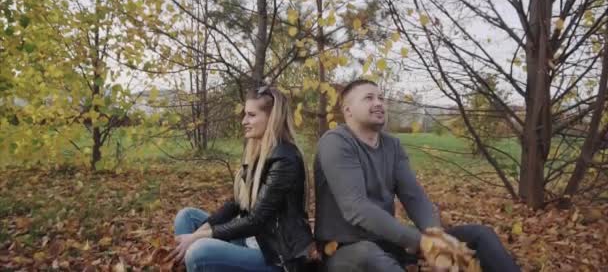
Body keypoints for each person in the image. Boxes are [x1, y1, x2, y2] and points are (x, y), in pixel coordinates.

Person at [314, 79, 520, 272]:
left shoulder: (392, 145)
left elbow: (414, 196)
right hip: (344, 250)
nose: (378, 103)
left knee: (480, 235)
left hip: (387, 240)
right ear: (347, 110)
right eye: (369, 98)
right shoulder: (336, 143)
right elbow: (356, 208)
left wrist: (436, 237)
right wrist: (419, 241)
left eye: (381, 98)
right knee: (370, 255)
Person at [171, 86, 313, 272]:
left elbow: (256, 220)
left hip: (275, 257)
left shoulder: (285, 158)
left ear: (272, 118)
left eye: (251, 115)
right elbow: (236, 204)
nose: (244, 121)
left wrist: (199, 238)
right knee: (187, 217)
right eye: (245, 115)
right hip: (253, 240)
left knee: (199, 251)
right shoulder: (257, 152)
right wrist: (200, 232)